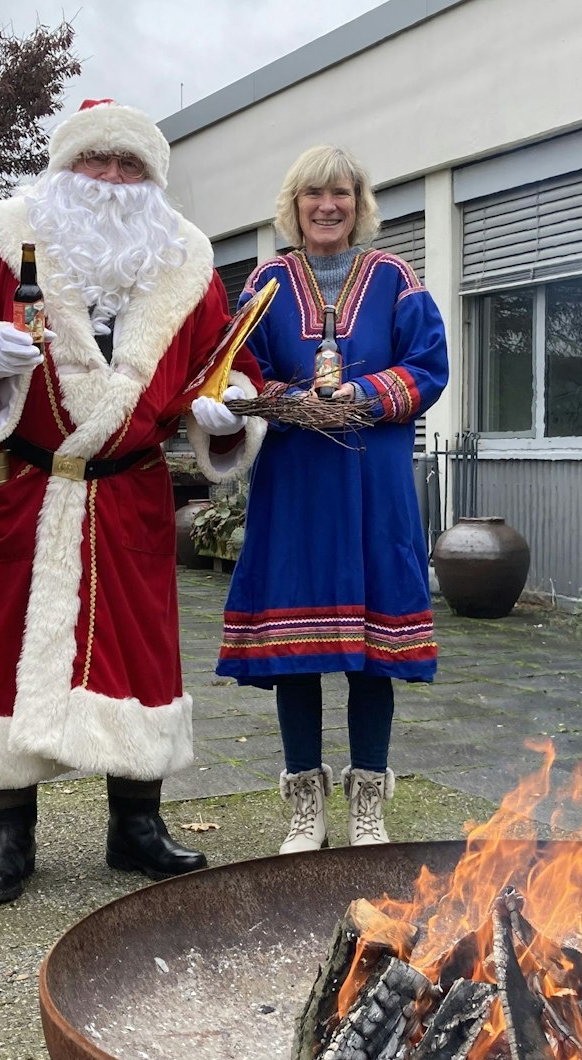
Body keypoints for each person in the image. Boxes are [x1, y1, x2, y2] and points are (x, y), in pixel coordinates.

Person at [0, 98, 266, 904]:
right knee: (4, 647)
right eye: (95, 162)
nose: (111, 180)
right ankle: (8, 832)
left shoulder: (186, 262)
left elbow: (219, 363)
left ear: (152, 179)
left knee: (139, 647)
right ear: (64, 169)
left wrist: (225, 407)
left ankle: (136, 824)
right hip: (23, 484)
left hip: (129, 492)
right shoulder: (7, 240)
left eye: (129, 165)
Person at [217, 146, 448, 853]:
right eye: (315, 192)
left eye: (341, 192)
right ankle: (305, 805)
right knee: (298, 645)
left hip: (374, 489)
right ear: (295, 202)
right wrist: (290, 401)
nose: (328, 204)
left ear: (359, 201)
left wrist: (368, 394)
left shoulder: (395, 278)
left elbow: (430, 364)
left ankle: (368, 801)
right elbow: (239, 369)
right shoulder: (265, 281)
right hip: (296, 487)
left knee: (374, 650)